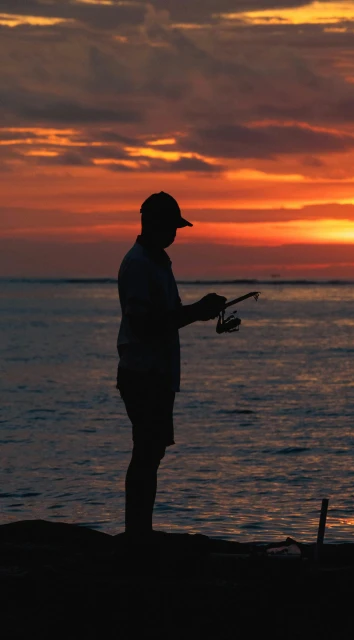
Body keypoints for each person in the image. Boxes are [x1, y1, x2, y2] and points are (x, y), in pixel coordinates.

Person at [116, 191, 226, 539]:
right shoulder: (140, 265)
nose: (174, 234)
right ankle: (138, 534)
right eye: (170, 227)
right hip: (143, 373)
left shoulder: (159, 262)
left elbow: (167, 317)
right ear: (152, 225)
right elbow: (144, 324)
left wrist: (195, 312)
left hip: (156, 374)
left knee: (152, 451)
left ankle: (140, 532)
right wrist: (196, 311)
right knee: (147, 452)